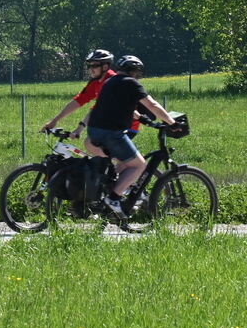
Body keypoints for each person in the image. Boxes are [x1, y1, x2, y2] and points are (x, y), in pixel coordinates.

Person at [86, 54, 177, 217]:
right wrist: (172, 123)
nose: (138, 77)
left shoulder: (109, 82)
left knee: (123, 163)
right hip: (112, 134)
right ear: (134, 71)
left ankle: (113, 199)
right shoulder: (131, 84)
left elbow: (119, 106)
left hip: (94, 131)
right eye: (138, 73)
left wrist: (141, 118)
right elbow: (153, 105)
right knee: (139, 165)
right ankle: (113, 199)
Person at [41, 49, 142, 138]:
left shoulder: (112, 82)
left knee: (94, 145)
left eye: (95, 65)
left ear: (105, 66)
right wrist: (55, 120)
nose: (91, 69)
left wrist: (80, 128)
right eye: (89, 66)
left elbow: (98, 108)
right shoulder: (95, 82)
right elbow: (79, 100)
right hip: (111, 125)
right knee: (94, 147)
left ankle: (133, 160)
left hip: (127, 126)